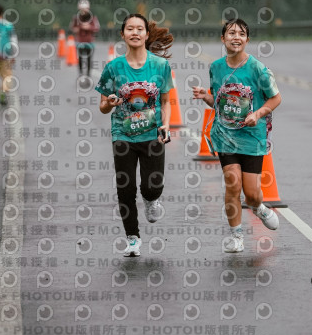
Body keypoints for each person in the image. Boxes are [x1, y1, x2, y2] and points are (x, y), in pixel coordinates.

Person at [192, 18, 282, 253]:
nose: (236, 37)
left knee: (251, 194)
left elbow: (276, 98)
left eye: (241, 34)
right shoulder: (215, 67)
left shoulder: (258, 69)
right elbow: (219, 102)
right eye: (231, 33)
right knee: (232, 184)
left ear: (247, 40)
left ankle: (259, 208)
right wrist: (205, 96)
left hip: (252, 137)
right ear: (223, 38)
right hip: (225, 136)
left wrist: (258, 114)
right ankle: (236, 236)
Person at [95, 13, 174, 257]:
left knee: (152, 186)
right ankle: (132, 238)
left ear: (147, 34)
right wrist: (109, 103)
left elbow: (166, 101)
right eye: (130, 28)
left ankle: (151, 200)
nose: (135, 33)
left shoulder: (160, 66)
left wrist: (166, 125)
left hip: (152, 134)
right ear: (123, 34)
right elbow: (103, 106)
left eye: (140, 29)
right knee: (125, 187)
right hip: (123, 135)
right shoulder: (113, 67)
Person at [69, 0, 100, 77]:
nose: (84, 11)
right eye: (82, 9)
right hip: (80, 41)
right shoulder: (76, 18)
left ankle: (88, 74)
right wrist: (78, 28)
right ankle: (80, 73)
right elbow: (72, 27)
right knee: (80, 58)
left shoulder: (93, 18)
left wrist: (89, 27)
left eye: (85, 9)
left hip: (89, 41)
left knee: (89, 58)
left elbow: (96, 28)